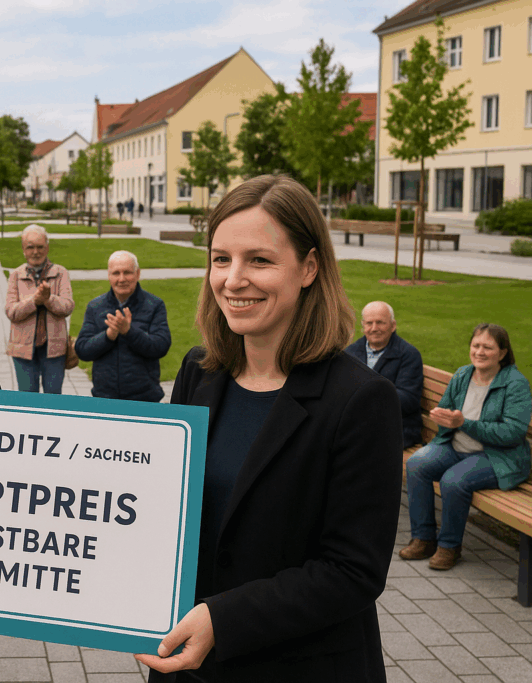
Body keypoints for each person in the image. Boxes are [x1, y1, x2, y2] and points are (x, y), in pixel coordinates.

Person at [136, 175, 401, 682]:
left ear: (309, 267)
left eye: (259, 260)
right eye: (221, 259)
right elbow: (162, 505)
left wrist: (223, 619)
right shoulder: (198, 371)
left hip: (300, 667)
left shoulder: (361, 400)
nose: (233, 279)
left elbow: (353, 571)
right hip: (187, 663)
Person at [400, 324, 531, 570]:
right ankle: (423, 538)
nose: (480, 352)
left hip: (495, 456)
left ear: (502, 353)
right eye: (476, 345)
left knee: (453, 480)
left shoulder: (515, 384)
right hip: (455, 446)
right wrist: (442, 416)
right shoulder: (463, 374)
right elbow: (447, 408)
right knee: (417, 463)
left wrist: (464, 423)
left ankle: (449, 547)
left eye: (488, 347)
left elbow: (513, 433)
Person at [74, 250, 170, 402]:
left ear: (137, 274)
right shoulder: (95, 306)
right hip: (105, 398)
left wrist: (129, 332)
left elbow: (161, 346)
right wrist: (108, 336)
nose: (121, 279)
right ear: (109, 276)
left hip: (144, 398)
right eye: (116, 273)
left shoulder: (154, 305)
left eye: (127, 272)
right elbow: (82, 350)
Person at [5, 225, 74, 393]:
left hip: (54, 349)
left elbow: (67, 306)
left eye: (40, 247)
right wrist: (34, 301)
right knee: (27, 399)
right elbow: (11, 311)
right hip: (22, 349)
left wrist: (48, 299)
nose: (35, 252)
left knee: (53, 398)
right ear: (23, 249)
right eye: (30, 247)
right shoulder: (16, 275)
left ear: (47, 247)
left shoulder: (60, 273)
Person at [344, 301, 424, 446]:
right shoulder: (351, 352)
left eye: (380, 322)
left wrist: (366, 396)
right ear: (363, 326)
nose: (374, 328)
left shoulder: (408, 355)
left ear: (393, 325)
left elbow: (409, 400)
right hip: (359, 424)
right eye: (369, 323)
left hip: (397, 428)